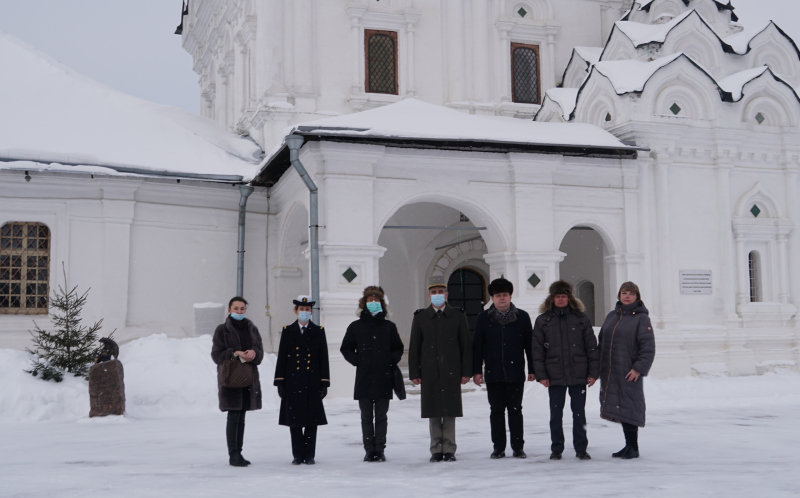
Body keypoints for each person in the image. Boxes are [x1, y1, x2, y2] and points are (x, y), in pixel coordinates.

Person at [532, 280, 600, 461]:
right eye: (557, 296)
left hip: (578, 373)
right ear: (552, 298)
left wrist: (593, 372)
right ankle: (557, 448)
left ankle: (581, 448)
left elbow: (591, 347)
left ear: (569, 298)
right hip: (554, 374)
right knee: (556, 415)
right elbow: (537, 350)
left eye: (564, 296)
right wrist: (541, 374)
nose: (561, 299)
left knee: (579, 414)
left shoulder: (581, 318)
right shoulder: (543, 320)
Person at [408, 276, 472, 463]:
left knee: (450, 410)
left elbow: (466, 346)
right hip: (429, 371)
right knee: (433, 410)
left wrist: (466, 371)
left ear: (446, 294)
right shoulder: (420, 317)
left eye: (440, 292)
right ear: (429, 295)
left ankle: (449, 448)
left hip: (451, 369)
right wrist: (415, 372)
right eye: (434, 292)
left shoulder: (458, 315)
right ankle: (436, 448)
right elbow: (414, 347)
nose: (437, 295)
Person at [340, 286, 405, 462]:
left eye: (376, 300)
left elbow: (398, 348)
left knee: (382, 416)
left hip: (384, 377)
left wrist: (390, 360)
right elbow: (345, 348)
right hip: (364, 377)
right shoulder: (355, 327)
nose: (373, 303)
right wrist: (358, 360)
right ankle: (369, 449)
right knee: (367, 416)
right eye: (370, 300)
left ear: (382, 303)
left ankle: (380, 449)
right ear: (364, 303)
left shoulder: (389, 327)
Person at [472, 278, 534, 459]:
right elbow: (477, 346)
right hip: (493, 372)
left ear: (510, 296)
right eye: (498, 295)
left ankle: (518, 446)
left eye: (505, 295)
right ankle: (498, 447)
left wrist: (532, 369)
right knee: (496, 411)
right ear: (492, 298)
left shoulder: (522, 317)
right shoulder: (483, 318)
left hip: (515, 372)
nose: (502, 298)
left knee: (516, 410)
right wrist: (477, 370)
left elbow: (529, 345)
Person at [598, 282, 656, 460]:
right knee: (621, 407)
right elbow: (602, 341)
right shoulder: (612, 316)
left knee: (630, 406)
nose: (627, 296)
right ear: (619, 295)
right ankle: (628, 445)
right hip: (611, 370)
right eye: (624, 293)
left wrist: (638, 368)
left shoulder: (641, 318)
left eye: (631, 293)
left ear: (637, 296)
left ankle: (633, 447)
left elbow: (648, 347)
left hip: (628, 371)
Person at [274, 295, 330, 465]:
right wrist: (280, 381)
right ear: (295, 311)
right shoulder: (287, 330)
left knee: (312, 421)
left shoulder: (318, 331)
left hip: (312, 380)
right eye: (301, 310)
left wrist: (324, 382)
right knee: (295, 421)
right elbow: (282, 357)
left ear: (311, 312)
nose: (304, 312)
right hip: (293, 380)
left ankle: (310, 455)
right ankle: (298, 455)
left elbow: (323, 358)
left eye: (307, 310)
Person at [210, 296, 264, 467]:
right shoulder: (222, 330)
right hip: (231, 379)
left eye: (242, 309)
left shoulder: (251, 328)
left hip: (248, 378)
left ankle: (239, 453)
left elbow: (260, 351)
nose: (239, 312)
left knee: (242, 417)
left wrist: (254, 352)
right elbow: (216, 355)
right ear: (229, 310)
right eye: (236, 309)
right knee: (233, 417)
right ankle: (233, 455)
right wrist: (235, 352)